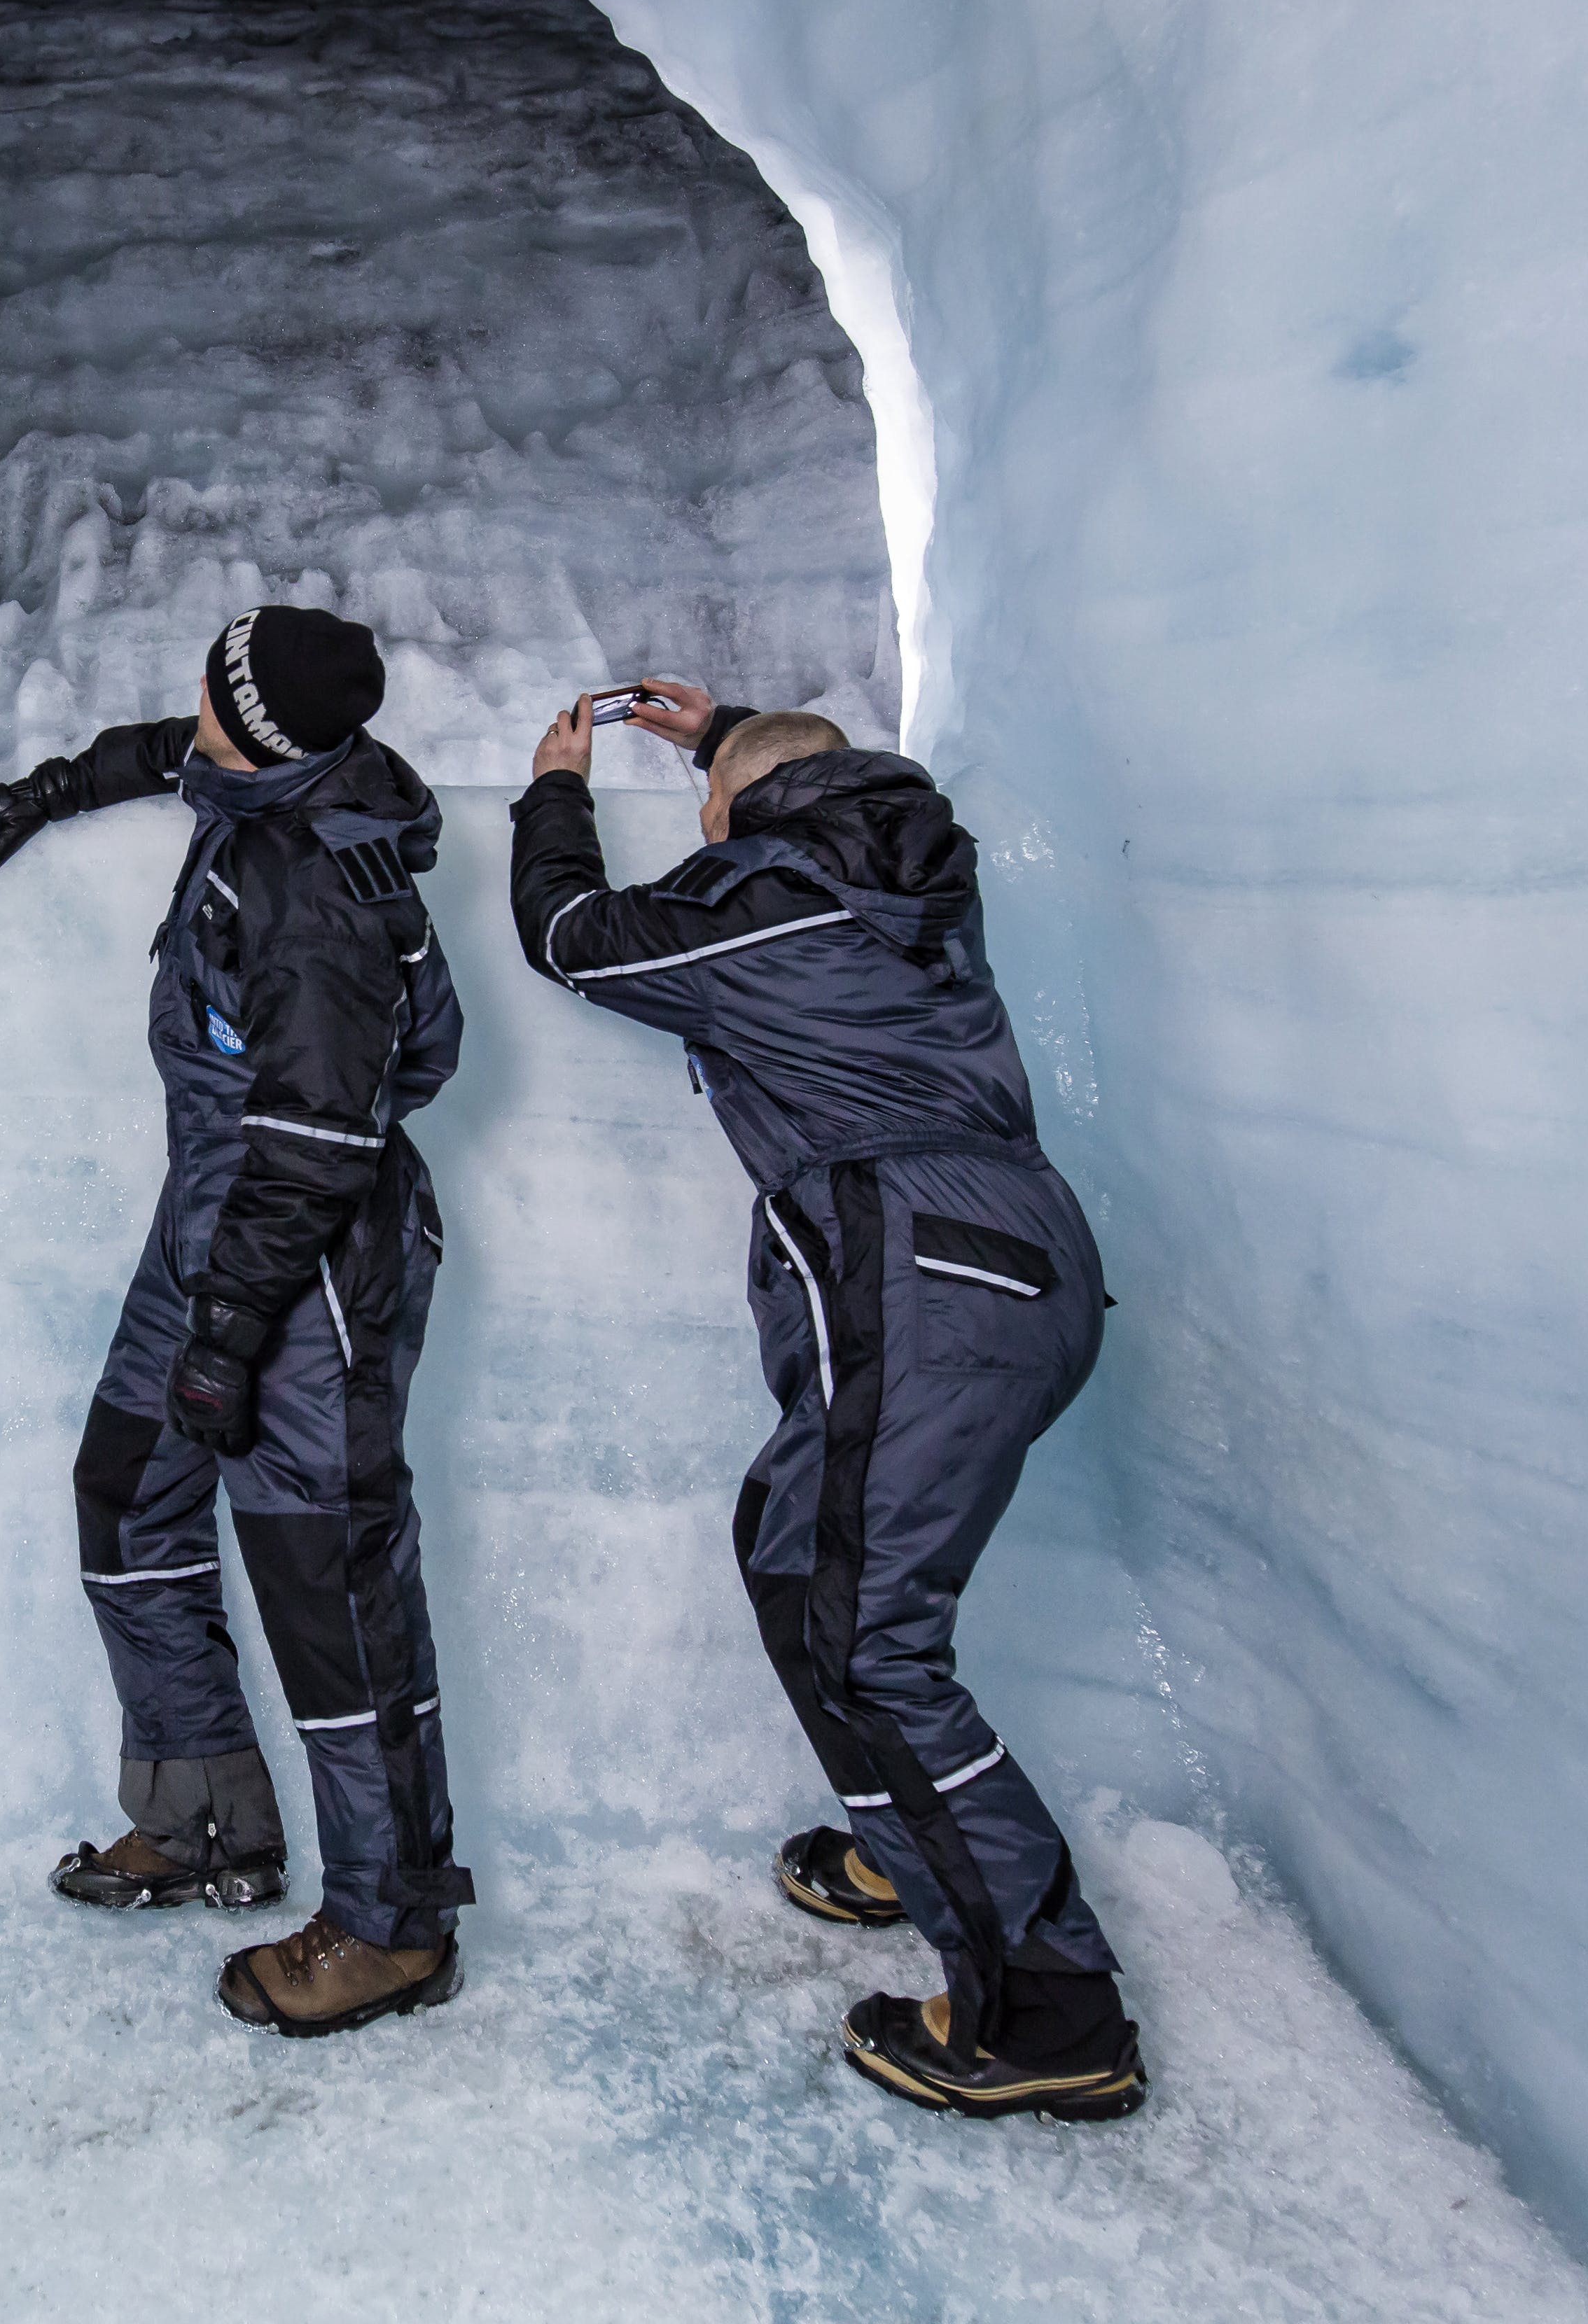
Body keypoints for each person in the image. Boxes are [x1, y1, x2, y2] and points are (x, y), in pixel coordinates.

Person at [508, 678, 1144, 2120]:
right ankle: (920, 1844)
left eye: (711, 806)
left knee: (867, 1639)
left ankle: (1051, 2013)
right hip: (1009, 1263)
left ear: (734, 817)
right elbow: (802, 783)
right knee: (799, 1556)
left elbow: (568, 937)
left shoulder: (758, 904)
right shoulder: (920, 873)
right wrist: (727, 728)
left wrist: (557, 792)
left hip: (915, 1271)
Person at [0, 603, 473, 2035]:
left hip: (307, 1260)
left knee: (329, 1584)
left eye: (215, 690)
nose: (191, 710)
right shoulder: (275, 775)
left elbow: (320, 1146)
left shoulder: (307, 894)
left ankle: (391, 1926)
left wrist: (228, 1333)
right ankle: (206, 1817)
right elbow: (182, 749)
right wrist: (58, 785)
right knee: (131, 1493)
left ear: (264, 728)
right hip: (216, 1230)